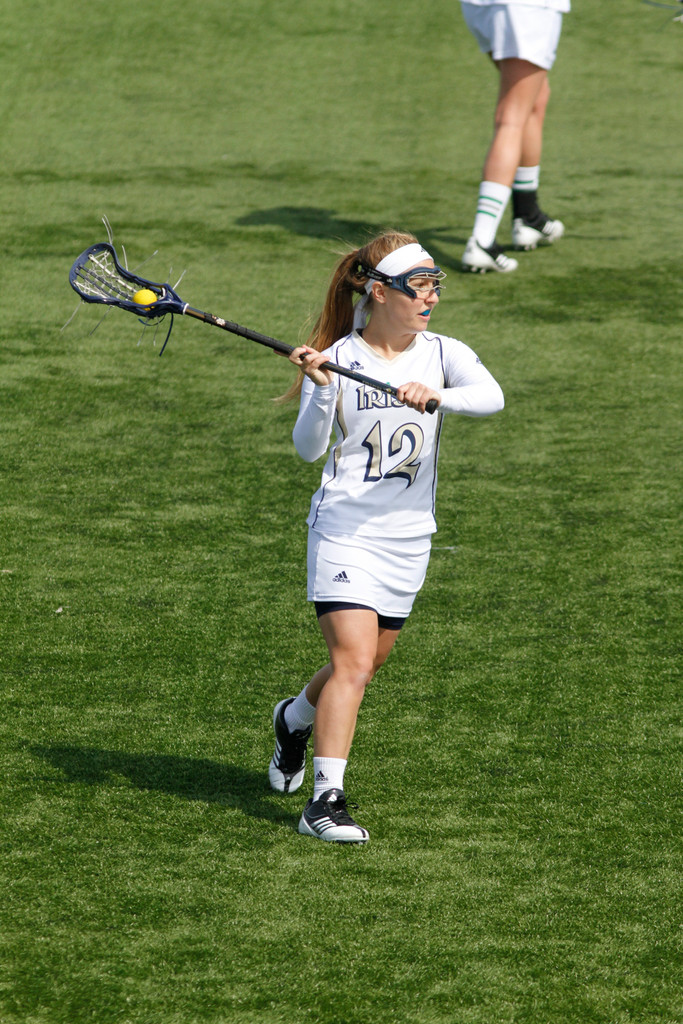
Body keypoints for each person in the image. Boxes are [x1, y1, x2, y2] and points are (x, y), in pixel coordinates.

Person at [268, 231, 504, 843]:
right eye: (418, 287)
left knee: (367, 663)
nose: (430, 298)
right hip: (345, 532)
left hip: (409, 539)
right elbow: (307, 450)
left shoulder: (444, 353)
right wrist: (321, 392)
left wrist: (438, 394)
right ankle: (324, 802)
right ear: (378, 291)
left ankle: (294, 719)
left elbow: (492, 397)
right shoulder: (340, 359)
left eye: (434, 286)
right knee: (350, 661)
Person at [459, 0, 570, 274]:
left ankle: (528, 215)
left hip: (480, 7)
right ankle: (482, 240)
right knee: (511, 117)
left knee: (535, 97)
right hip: (528, 9)